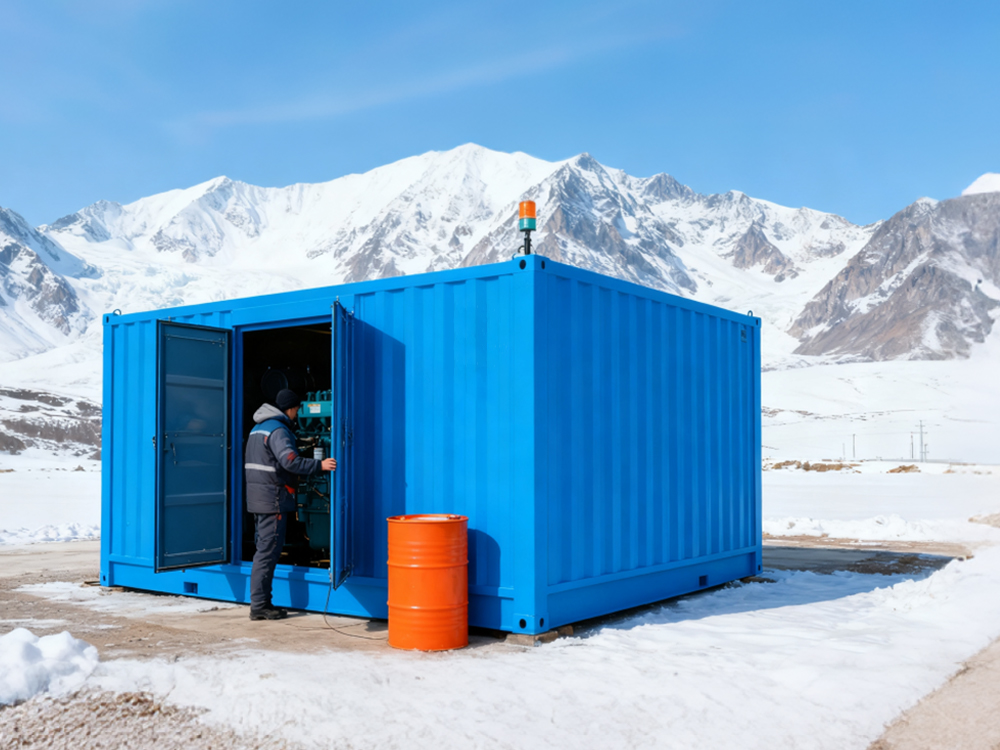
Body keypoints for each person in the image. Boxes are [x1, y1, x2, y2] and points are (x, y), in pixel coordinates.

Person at [244, 388, 336, 620]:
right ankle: (260, 606)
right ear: (292, 408)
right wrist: (320, 465)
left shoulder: (258, 428)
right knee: (267, 553)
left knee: (263, 551)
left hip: (259, 499)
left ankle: (261, 603)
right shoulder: (278, 430)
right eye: (297, 409)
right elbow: (290, 461)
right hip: (272, 500)